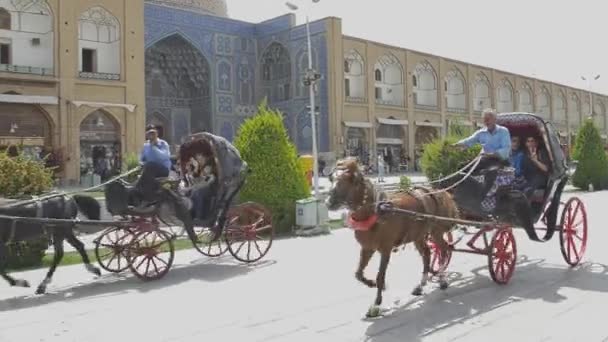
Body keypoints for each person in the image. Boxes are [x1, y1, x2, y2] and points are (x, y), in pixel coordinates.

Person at [135, 125, 171, 208]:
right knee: (148, 167)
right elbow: (142, 158)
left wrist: (153, 146)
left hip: (163, 169)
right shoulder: (146, 146)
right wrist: (141, 163)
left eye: (153, 133)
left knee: (150, 165)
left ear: (157, 134)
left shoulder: (163, 144)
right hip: (149, 170)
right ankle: (137, 194)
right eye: (149, 133)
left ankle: (149, 198)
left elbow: (164, 157)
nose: (151, 135)